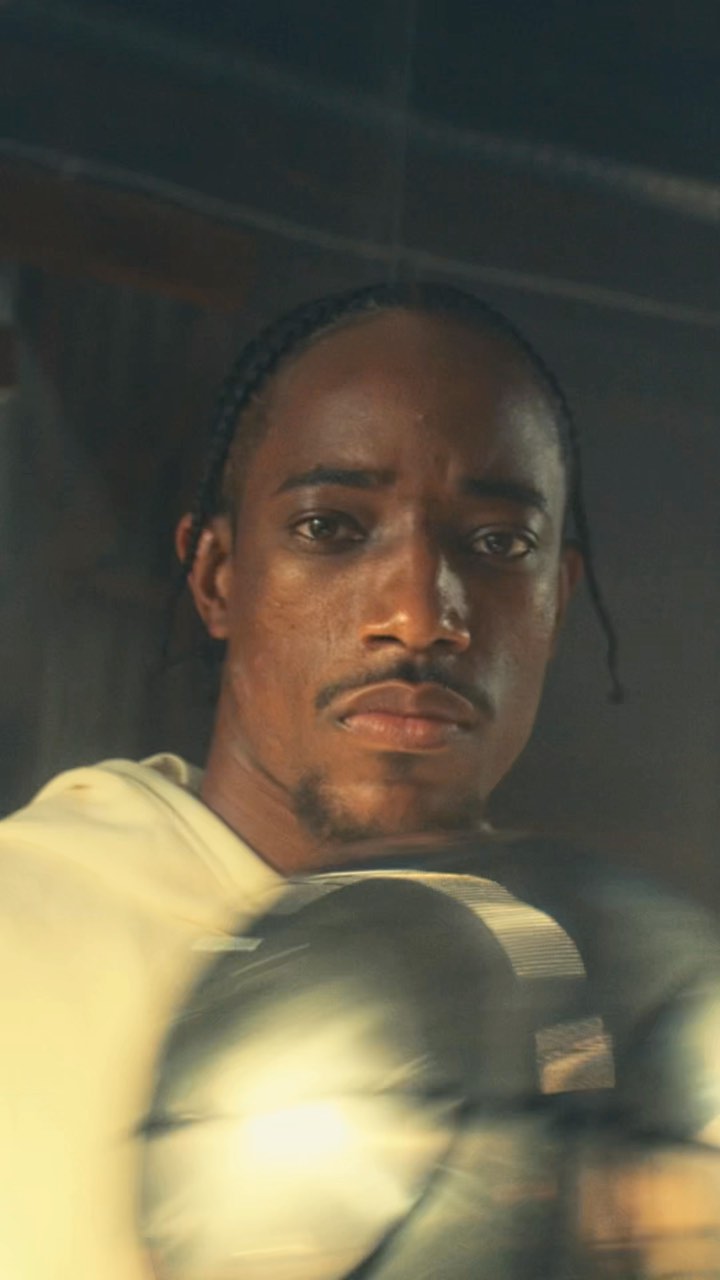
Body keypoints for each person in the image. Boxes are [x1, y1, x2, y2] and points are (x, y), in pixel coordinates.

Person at [0, 281, 717, 1279]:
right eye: (331, 527)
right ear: (217, 576)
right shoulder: (23, 933)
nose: (420, 614)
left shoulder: (634, 1012)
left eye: (498, 543)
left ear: (556, 599)